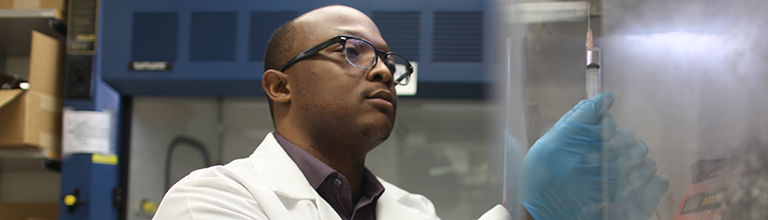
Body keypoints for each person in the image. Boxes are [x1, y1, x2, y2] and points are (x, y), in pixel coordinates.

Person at [153, 5, 667, 220]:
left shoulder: (411, 210)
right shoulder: (210, 199)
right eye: (352, 50)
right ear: (279, 85)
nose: (381, 70)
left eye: (387, 60)